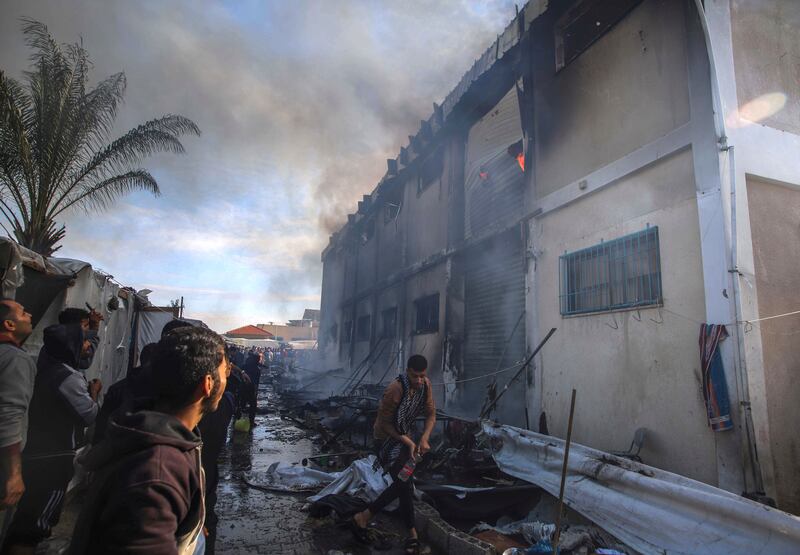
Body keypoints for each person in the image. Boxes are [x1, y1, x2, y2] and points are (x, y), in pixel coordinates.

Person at [68, 326, 228, 555]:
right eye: (224, 372)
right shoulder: (157, 471)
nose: (227, 380)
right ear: (208, 384)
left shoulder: (155, 434)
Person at [3, 324, 99, 554]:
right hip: (53, 459)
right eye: (84, 341)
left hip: (35, 452)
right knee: (33, 526)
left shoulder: (44, 366)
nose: (88, 346)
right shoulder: (67, 377)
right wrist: (94, 393)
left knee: (25, 519)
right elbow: (89, 415)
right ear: (72, 346)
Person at [352, 355, 436, 555]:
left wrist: (424, 438)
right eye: (415, 376)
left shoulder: (425, 386)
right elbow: (383, 424)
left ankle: (363, 517)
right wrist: (408, 442)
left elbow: (431, 414)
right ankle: (412, 535)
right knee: (403, 484)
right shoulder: (395, 389)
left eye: (422, 376)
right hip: (386, 441)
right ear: (407, 371)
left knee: (403, 483)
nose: (418, 380)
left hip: (407, 437)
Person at [0, 300, 35, 547]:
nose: (29, 314)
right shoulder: (15, 359)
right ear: (9, 324)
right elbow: (10, 413)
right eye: (22, 312)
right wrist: (14, 473)